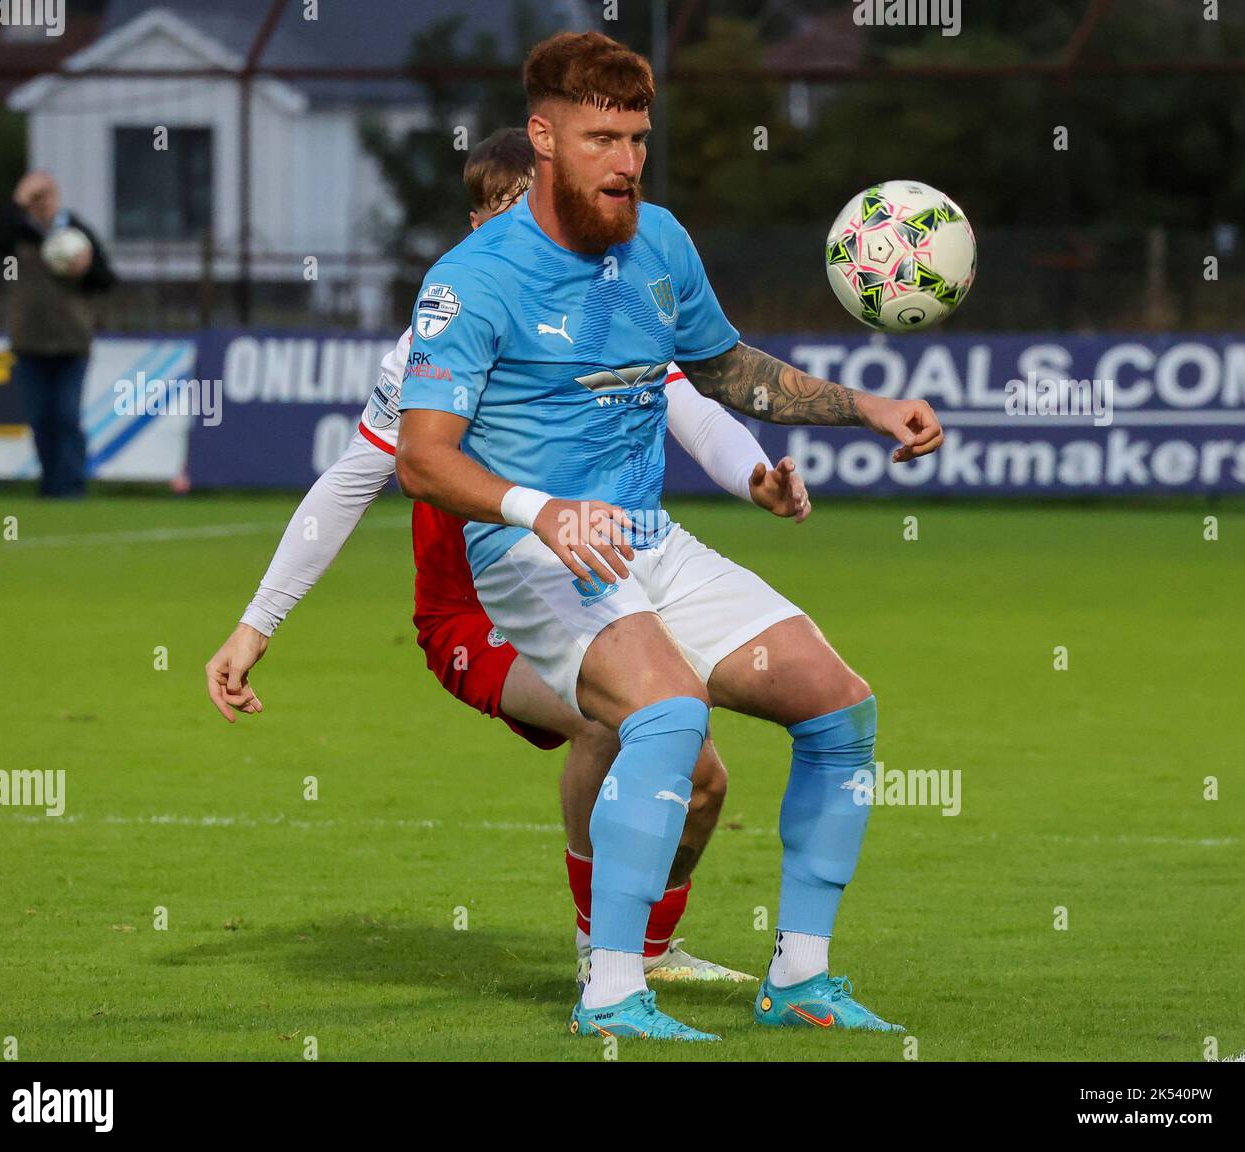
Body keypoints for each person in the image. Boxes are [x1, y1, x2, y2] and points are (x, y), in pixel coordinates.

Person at [395, 33, 943, 1041]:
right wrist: (541, 511)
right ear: (543, 136)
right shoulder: (473, 278)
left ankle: (801, 978)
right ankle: (611, 986)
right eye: (603, 136)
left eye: (638, 137)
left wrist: (864, 405)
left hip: (650, 537)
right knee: (665, 714)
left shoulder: (660, 242)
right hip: (534, 553)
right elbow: (420, 458)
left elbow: (729, 371)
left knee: (841, 710)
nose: (627, 160)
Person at [205, 127, 812, 990]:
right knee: (625, 723)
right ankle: (600, 952)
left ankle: (648, 951)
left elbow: (689, 403)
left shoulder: (606, 312)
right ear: (476, 221)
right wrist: (256, 624)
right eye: (497, 210)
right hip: (475, 618)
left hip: (587, 588)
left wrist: (756, 474)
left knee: (703, 782)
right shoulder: (441, 333)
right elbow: (350, 482)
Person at [0, 171, 116, 498]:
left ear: (57, 196)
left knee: (66, 416)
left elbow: (107, 279)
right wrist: (18, 199)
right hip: (29, 342)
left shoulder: (76, 232)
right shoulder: (17, 234)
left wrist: (86, 269)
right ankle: (51, 484)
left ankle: (72, 487)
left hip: (72, 343)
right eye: (34, 199)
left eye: (46, 196)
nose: (41, 205)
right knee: (41, 418)